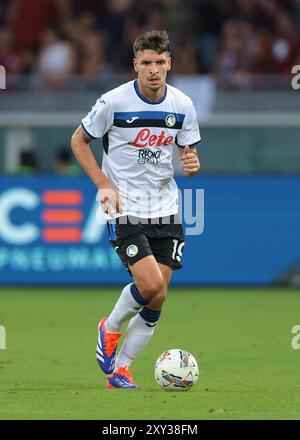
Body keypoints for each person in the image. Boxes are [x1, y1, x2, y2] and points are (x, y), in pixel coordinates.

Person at [71, 30, 201, 389]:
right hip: (124, 206)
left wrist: (191, 163)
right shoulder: (113, 102)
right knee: (149, 283)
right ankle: (110, 327)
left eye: (160, 62)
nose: (154, 70)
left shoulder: (183, 105)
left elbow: (187, 153)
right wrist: (102, 183)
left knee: (158, 295)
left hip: (167, 209)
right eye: (146, 63)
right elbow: (78, 140)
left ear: (169, 63)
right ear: (135, 65)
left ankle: (122, 369)